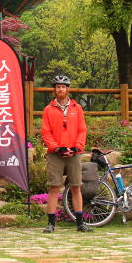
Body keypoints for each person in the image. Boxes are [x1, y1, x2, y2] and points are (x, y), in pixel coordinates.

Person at [41, 75, 92, 232]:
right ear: (54, 90)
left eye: (63, 86)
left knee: (76, 187)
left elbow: (82, 130)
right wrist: (56, 147)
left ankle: (80, 223)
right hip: (55, 153)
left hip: (74, 153)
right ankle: (51, 224)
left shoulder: (77, 108)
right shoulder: (48, 109)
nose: (60, 89)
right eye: (57, 87)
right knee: (54, 187)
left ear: (67, 89)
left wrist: (77, 147)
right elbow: (45, 132)